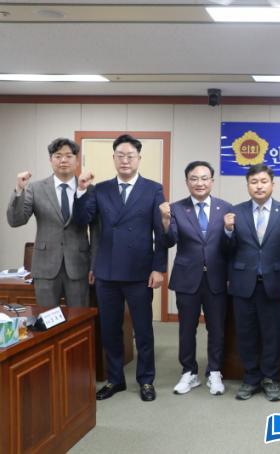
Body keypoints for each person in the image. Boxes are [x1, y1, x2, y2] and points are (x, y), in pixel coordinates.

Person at [72, 134, 167, 402]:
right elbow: (81, 220)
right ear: (113, 158)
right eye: (120, 156)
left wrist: (158, 268)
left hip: (140, 271)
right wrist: (81, 191)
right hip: (107, 271)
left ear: (139, 158)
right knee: (110, 329)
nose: (125, 160)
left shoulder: (153, 189)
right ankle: (115, 380)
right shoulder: (99, 189)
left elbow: (160, 233)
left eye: (130, 156)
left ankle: (146, 380)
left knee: (143, 330)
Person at [225, 163, 280, 402]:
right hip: (243, 284)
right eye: (254, 182)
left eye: (263, 181)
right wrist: (228, 231)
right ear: (247, 185)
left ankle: (270, 378)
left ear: (272, 184)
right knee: (245, 334)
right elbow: (227, 250)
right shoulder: (235, 212)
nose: (259, 186)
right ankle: (250, 378)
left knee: (272, 334)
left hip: (274, 283)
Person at [160, 161, 232, 396]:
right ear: (187, 182)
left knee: (217, 328)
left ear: (212, 181)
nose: (199, 183)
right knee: (186, 328)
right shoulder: (176, 208)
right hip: (187, 277)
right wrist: (166, 222)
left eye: (204, 178)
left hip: (217, 277)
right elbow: (169, 241)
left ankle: (214, 371)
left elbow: (231, 247)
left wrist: (229, 230)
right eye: (194, 178)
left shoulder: (225, 208)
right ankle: (189, 372)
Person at [7, 137, 95, 307]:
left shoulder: (89, 189)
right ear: (50, 160)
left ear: (77, 160)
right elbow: (15, 220)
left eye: (68, 156)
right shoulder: (35, 188)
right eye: (58, 156)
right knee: (46, 317)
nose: (63, 160)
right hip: (45, 267)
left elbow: (96, 231)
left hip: (78, 266)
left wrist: (94, 265)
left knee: (78, 318)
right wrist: (19, 190)